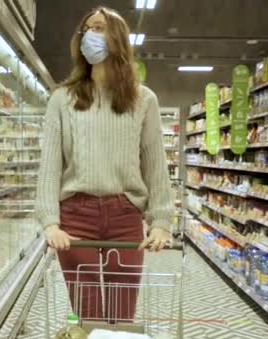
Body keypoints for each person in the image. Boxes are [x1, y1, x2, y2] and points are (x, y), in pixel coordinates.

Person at [35, 6, 174, 322]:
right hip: (75, 219)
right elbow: (50, 165)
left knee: (121, 315)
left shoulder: (144, 100)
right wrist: (49, 222)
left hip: (125, 216)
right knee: (88, 315)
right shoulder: (62, 99)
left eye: (99, 28)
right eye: (87, 30)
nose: (90, 35)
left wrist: (161, 221)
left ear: (118, 39)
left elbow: (155, 162)